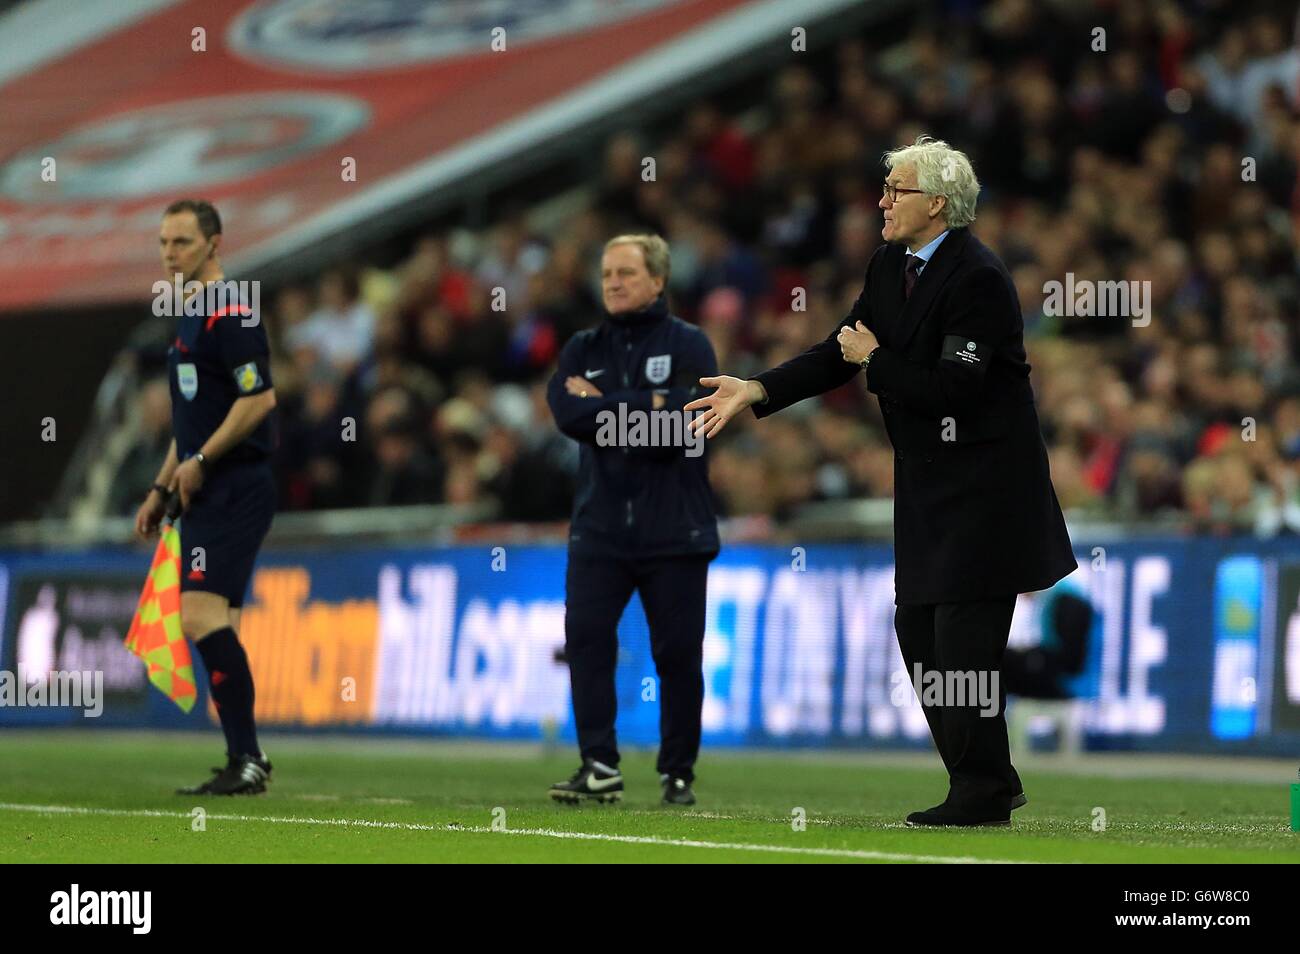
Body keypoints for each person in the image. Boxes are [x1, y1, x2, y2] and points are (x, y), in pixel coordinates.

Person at [686, 137, 1078, 826]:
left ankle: (981, 790)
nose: (882, 201)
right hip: (929, 488)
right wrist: (757, 389)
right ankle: (985, 776)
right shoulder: (890, 265)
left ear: (937, 202)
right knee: (920, 637)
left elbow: (954, 387)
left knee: (964, 644)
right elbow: (836, 350)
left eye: (896, 190)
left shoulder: (978, 278)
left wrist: (876, 359)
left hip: (987, 490)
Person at [545, 234, 719, 806]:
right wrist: (645, 403)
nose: (613, 283)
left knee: (677, 656)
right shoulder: (579, 347)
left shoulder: (691, 345)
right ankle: (599, 764)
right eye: (606, 274)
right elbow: (567, 414)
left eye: (625, 272)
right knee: (588, 642)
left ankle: (677, 773)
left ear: (659, 280)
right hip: (599, 531)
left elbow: (678, 431)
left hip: (675, 531)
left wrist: (604, 404)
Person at [133, 199, 279, 796]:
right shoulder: (190, 315)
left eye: (183, 243)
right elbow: (191, 424)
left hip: (235, 485)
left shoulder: (233, 312)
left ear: (215, 245)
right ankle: (246, 757)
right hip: (203, 485)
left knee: (198, 616)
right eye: (165, 243)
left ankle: (245, 757)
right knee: (221, 623)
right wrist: (161, 485)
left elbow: (259, 400)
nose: (170, 255)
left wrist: (201, 461)